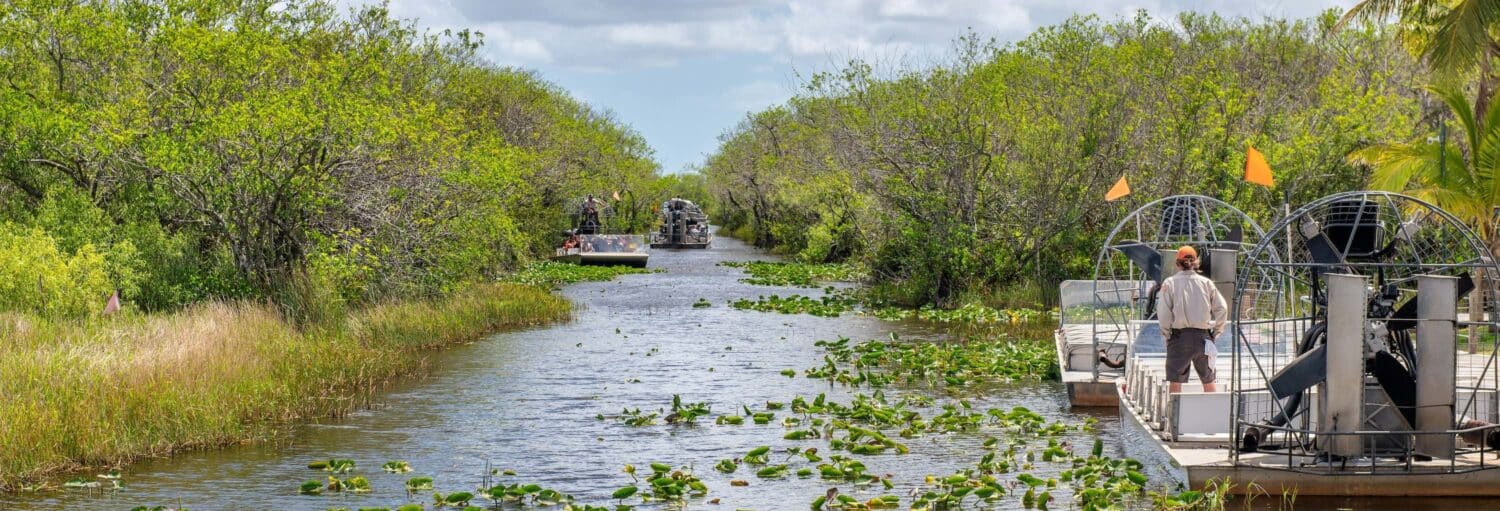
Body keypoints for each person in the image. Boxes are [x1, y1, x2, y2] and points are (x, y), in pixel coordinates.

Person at [1156, 245, 1227, 393]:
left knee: (1175, 381)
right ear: (1196, 262)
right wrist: (1216, 332)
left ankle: (1174, 415)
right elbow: (1222, 308)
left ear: (1177, 263)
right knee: (1209, 379)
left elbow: (1163, 313)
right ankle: (1212, 413)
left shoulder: (1169, 283)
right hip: (1204, 337)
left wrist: (1167, 334)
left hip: (1178, 337)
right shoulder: (1206, 283)